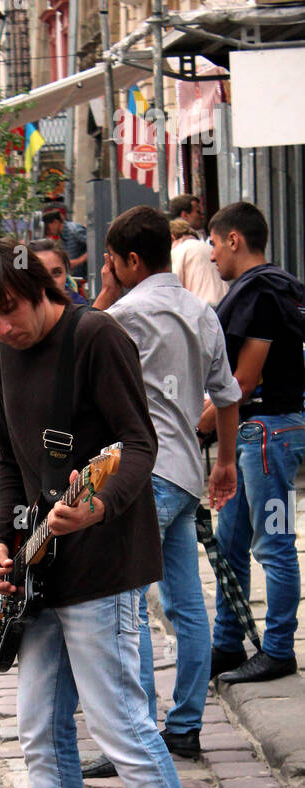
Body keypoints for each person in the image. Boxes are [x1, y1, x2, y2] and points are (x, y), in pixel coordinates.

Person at [0, 238, 188, 788]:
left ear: (37, 289)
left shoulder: (97, 337)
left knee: (121, 727)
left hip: (103, 566)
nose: (2, 329)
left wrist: (100, 507)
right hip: (39, 568)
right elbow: (10, 464)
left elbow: (140, 444)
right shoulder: (3, 350)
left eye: (9, 311)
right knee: (40, 732)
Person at [85, 205, 240, 776]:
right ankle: (185, 726)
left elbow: (75, 353)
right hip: (185, 472)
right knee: (185, 605)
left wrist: (101, 296)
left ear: (129, 260)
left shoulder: (123, 314)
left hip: (139, 476)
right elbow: (227, 396)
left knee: (128, 607)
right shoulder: (203, 312)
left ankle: (137, 736)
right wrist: (223, 463)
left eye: (111, 262)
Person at [200, 200, 305, 683]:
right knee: (231, 542)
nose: (212, 253)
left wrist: (198, 424)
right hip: (264, 434)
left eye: (215, 243)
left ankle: (279, 649)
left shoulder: (260, 292)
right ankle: (226, 643)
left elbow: (241, 383)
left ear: (234, 239)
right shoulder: (286, 286)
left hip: (267, 436)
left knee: (274, 545)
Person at [170, 217, 226, 306]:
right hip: (224, 302)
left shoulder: (178, 250)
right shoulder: (209, 247)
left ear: (172, 237)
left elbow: (174, 286)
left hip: (202, 307)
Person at [27, 238, 87, 304]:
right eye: (40, 274)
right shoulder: (18, 309)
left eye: (56, 273)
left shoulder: (79, 309)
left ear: (66, 273)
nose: (50, 282)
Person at [42, 205, 87, 275]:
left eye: (47, 228)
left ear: (55, 222)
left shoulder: (74, 231)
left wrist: (78, 261)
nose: (48, 232)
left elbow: (94, 246)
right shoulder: (63, 235)